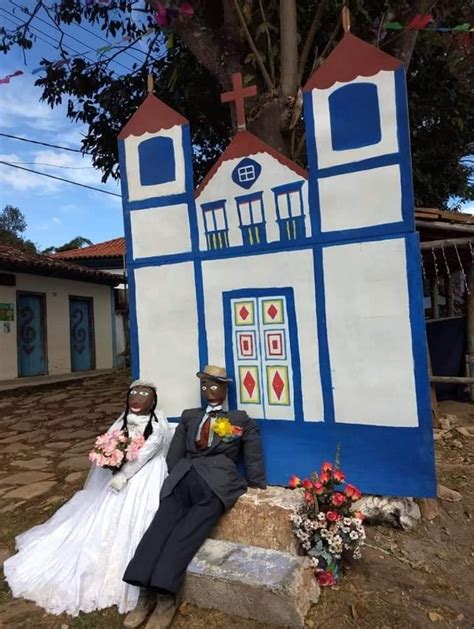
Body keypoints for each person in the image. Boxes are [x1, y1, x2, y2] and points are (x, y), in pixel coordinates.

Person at [4, 380, 172, 617]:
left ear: (153, 400)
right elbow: (112, 441)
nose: (137, 398)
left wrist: (123, 475)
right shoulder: (123, 420)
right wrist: (110, 456)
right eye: (133, 393)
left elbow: (144, 455)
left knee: (139, 514)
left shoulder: (157, 425)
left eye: (144, 394)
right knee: (103, 515)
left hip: (145, 473)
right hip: (121, 473)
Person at [122, 364, 267, 629]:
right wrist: (175, 478)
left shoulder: (240, 419)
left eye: (215, 386)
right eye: (204, 386)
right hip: (184, 479)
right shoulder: (190, 416)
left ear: (225, 389)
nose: (209, 391)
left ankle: (165, 597)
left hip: (215, 484)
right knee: (159, 527)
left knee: (184, 535)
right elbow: (174, 454)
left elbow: (253, 454)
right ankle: (143, 592)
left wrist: (256, 483)